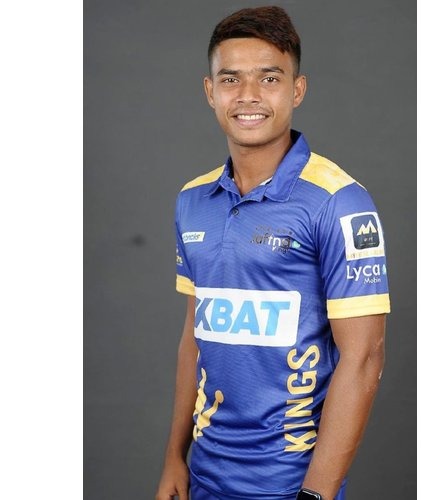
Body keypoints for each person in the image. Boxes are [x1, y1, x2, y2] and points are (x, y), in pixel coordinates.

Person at [156, 6, 390, 500]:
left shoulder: (339, 201)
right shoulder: (192, 200)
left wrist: (315, 494)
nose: (248, 95)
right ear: (210, 91)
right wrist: (174, 457)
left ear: (296, 90)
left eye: (269, 78)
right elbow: (194, 336)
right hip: (204, 477)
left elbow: (364, 357)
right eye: (231, 79)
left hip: (290, 485)